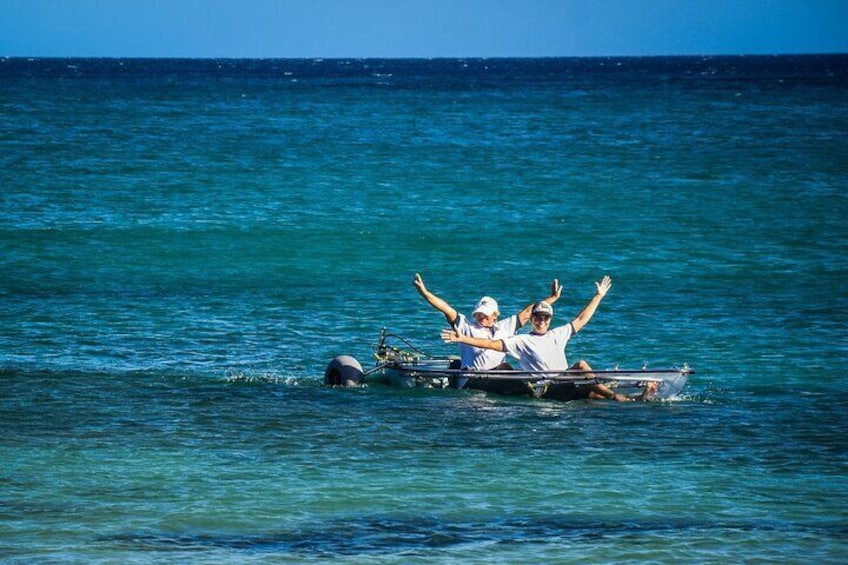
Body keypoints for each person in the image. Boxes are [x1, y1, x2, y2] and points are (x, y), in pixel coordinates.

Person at [441, 275, 656, 401]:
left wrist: (598, 296)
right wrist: (462, 338)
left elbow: (581, 319)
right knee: (581, 366)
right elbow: (490, 344)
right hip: (546, 389)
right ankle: (615, 397)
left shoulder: (558, 333)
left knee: (591, 394)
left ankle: (634, 401)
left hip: (565, 382)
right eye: (538, 317)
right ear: (533, 319)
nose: (541, 321)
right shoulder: (521, 340)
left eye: (545, 317)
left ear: (549, 319)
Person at [413, 273, 561, 371]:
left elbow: (529, 311)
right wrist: (425, 294)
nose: (481, 317)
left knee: (506, 368)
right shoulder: (465, 326)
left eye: (485, 315)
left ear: (495, 315)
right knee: (506, 368)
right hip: (472, 379)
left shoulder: (505, 326)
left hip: (497, 377)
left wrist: (552, 298)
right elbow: (446, 309)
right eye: (479, 314)